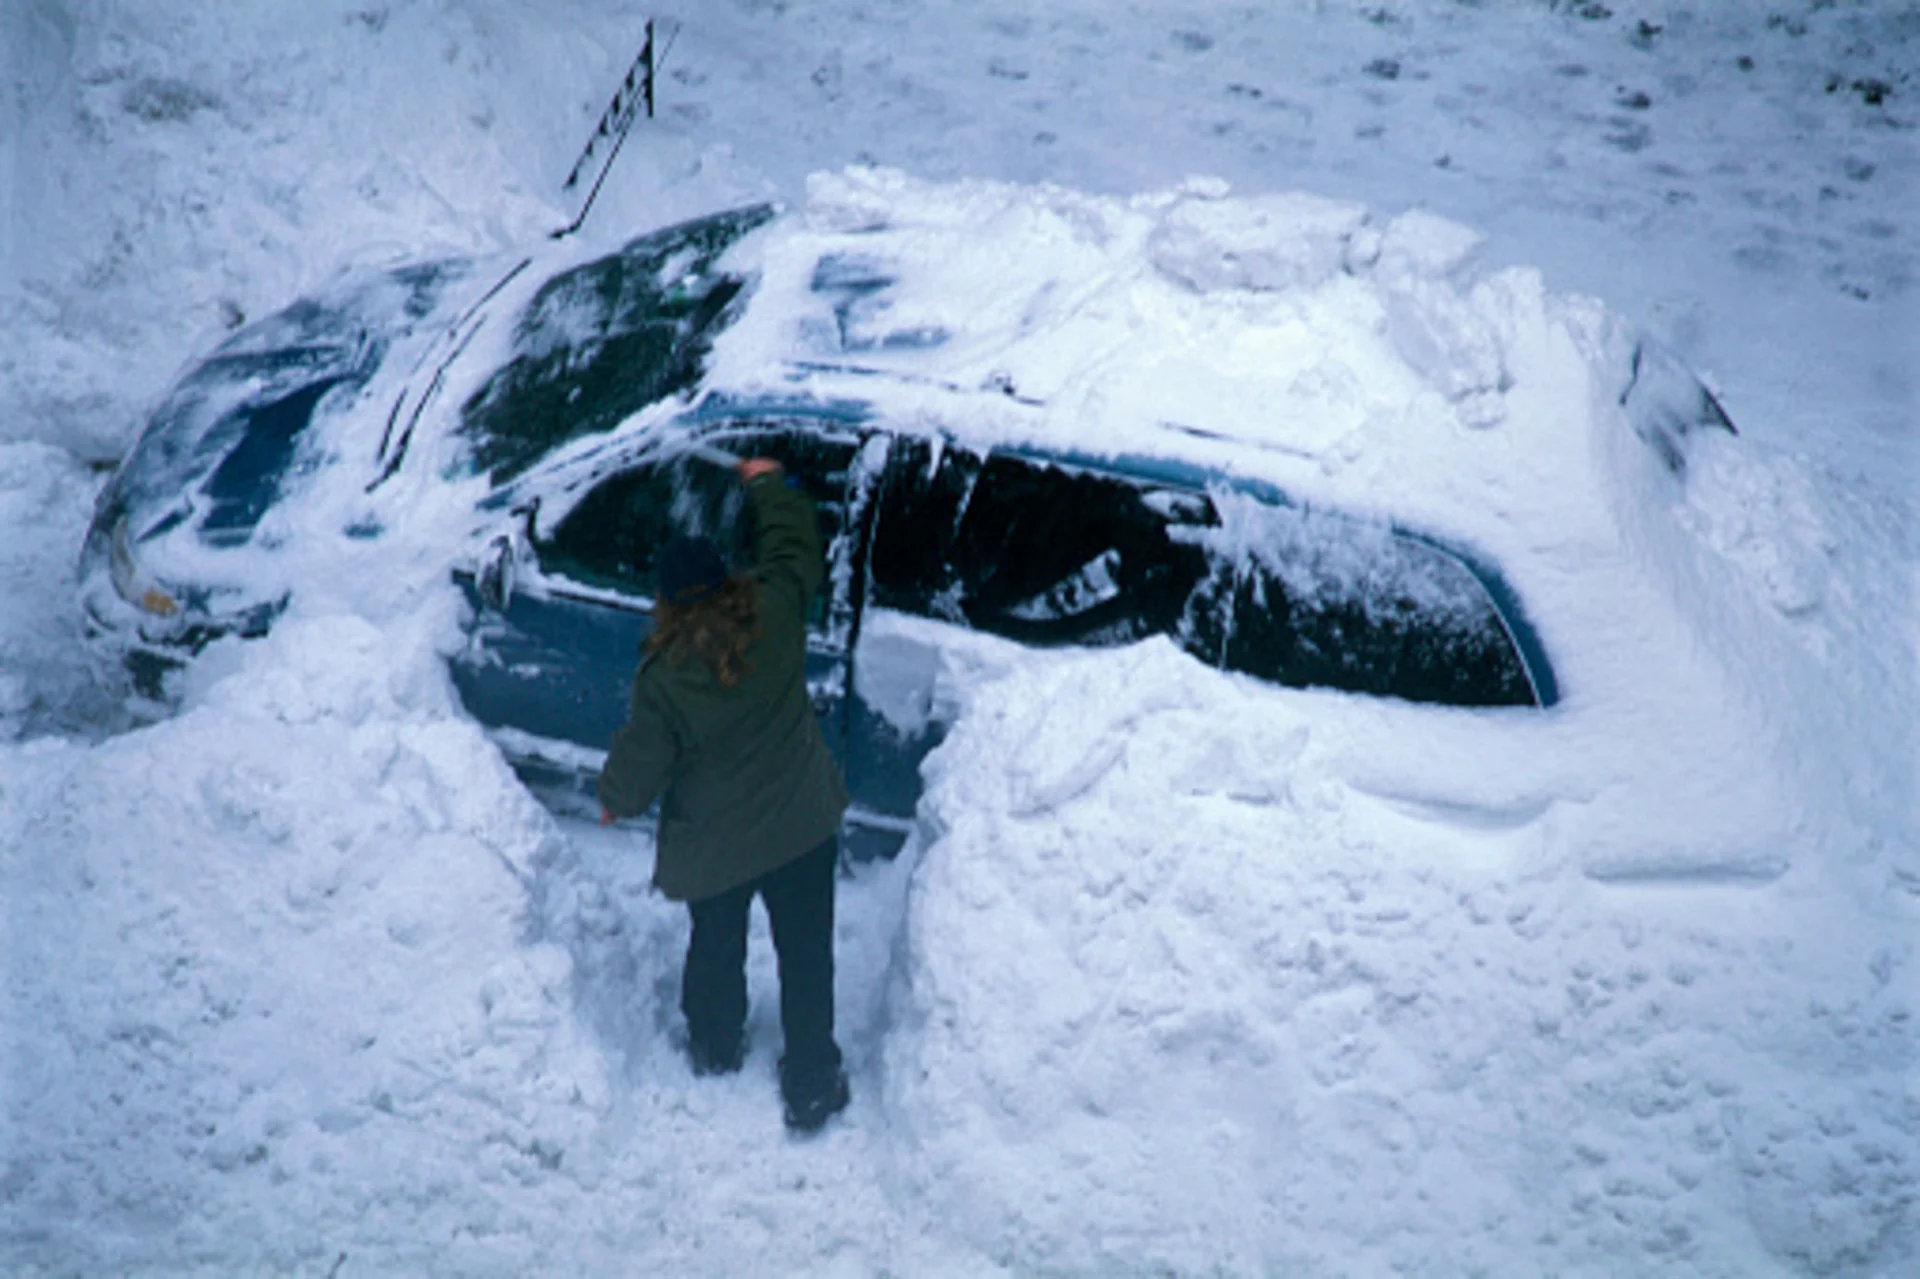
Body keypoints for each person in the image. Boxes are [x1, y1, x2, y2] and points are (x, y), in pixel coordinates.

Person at [596, 456, 852, 1134]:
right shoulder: (777, 606)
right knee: (806, 953)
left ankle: (714, 1045)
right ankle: (812, 1078)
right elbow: (795, 542)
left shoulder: (667, 677)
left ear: (670, 602)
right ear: (725, 578)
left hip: (719, 848)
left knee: (716, 944)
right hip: (802, 826)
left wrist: (614, 797)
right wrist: (767, 482)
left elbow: (641, 758)